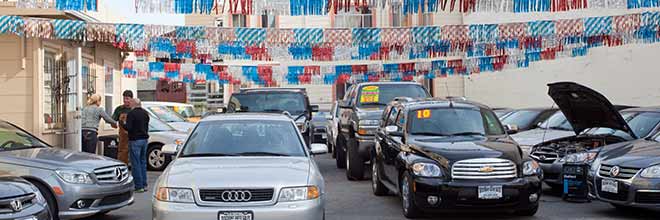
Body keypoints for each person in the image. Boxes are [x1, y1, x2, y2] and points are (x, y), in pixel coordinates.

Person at [121, 98, 150, 193]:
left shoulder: (131, 114)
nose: (130, 104)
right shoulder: (145, 113)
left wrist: (122, 123)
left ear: (134, 104)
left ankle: (138, 186)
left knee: (135, 164)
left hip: (135, 140)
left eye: (131, 103)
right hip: (144, 140)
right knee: (143, 163)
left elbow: (129, 127)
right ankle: (144, 184)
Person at [112, 90, 134, 164]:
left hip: (134, 135)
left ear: (131, 99)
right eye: (124, 98)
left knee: (134, 153)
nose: (125, 100)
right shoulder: (119, 109)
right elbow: (113, 120)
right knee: (122, 153)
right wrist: (113, 123)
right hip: (123, 136)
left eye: (127, 98)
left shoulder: (135, 109)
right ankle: (122, 169)